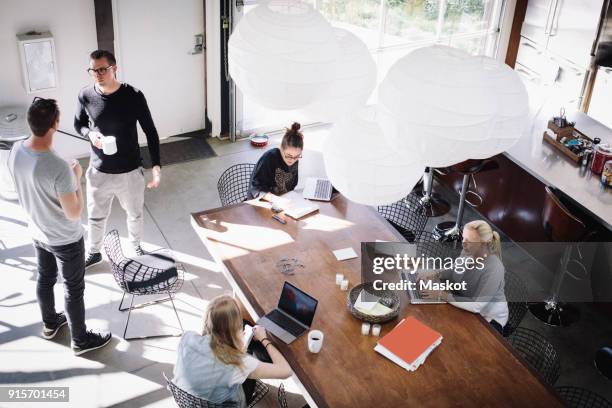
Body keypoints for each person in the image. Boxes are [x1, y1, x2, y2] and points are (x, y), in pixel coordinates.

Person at [8, 97, 112, 355]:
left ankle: (50, 324)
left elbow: (28, 186)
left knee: (45, 278)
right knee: (73, 288)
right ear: (55, 124)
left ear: (30, 122)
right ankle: (80, 340)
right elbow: (74, 212)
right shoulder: (57, 167)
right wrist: (75, 179)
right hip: (65, 239)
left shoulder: (16, 150)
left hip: (37, 231)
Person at [74, 49, 162, 268]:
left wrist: (156, 165)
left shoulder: (133, 95)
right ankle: (94, 252)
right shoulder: (85, 95)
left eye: (102, 69)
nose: (98, 74)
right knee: (95, 217)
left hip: (129, 171)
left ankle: (136, 245)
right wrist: (89, 134)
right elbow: (79, 124)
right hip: (98, 171)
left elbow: (150, 131)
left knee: (134, 214)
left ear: (114, 68)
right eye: (93, 70)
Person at [173, 295, 292, 406]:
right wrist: (264, 339)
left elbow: (211, 356)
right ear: (236, 328)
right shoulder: (238, 364)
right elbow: (286, 371)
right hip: (225, 404)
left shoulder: (187, 338)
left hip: (189, 402)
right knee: (248, 360)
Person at [419, 220, 509, 334]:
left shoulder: (494, 269)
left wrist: (441, 294)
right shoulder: (469, 251)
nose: (463, 243)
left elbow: (476, 306)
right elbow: (455, 269)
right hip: (465, 302)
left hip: (488, 319)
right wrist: (435, 272)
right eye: (464, 238)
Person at [247, 122, 303, 200]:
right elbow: (256, 188)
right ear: (281, 148)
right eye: (288, 156)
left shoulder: (294, 159)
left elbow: (292, 186)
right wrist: (274, 199)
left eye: (297, 156)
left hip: (281, 203)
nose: (292, 160)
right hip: (260, 202)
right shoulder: (269, 158)